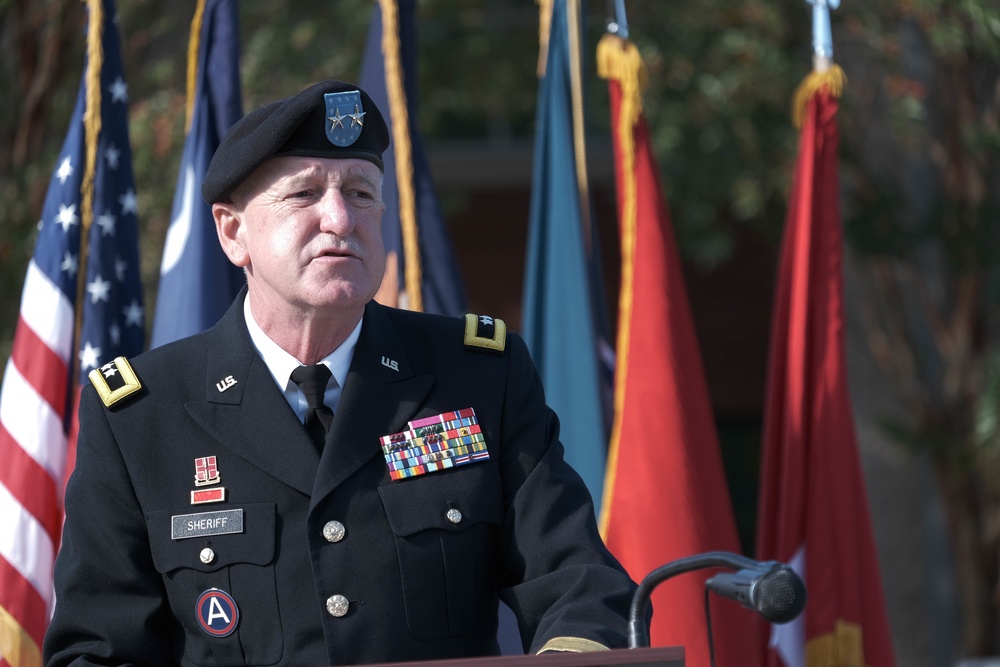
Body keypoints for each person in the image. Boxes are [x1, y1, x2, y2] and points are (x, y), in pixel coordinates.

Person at [44, 79, 642, 667]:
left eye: (360, 193)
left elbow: (577, 581)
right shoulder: (142, 418)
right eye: (304, 195)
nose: (339, 219)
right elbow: (97, 649)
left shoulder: (480, 377)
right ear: (233, 233)